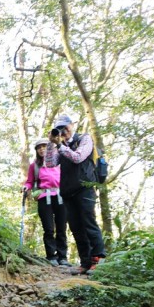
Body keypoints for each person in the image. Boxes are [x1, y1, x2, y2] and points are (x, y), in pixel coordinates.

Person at [43, 114, 105, 274]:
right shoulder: (60, 145)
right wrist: (51, 143)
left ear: (72, 125)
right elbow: (49, 163)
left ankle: (98, 259)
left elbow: (78, 158)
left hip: (85, 188)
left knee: (88, 222)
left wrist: (62, 147)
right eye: (60, 128)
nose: (64, 131)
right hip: (68, 191)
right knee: (76, 227)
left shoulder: (84, 139)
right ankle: (85, 262)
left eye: (65, 127)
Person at [23, 138, 69, 266]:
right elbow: (30, 181)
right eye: (39, 147)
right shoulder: (35, 166)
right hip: (44, 197)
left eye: (45, 146)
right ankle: (51, 256)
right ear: (37, 151)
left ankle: (62, 257)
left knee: (61, 228)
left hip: (61, 196)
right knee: (48, 228)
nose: (42, 149)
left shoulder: (59, 162)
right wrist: (26, 187)